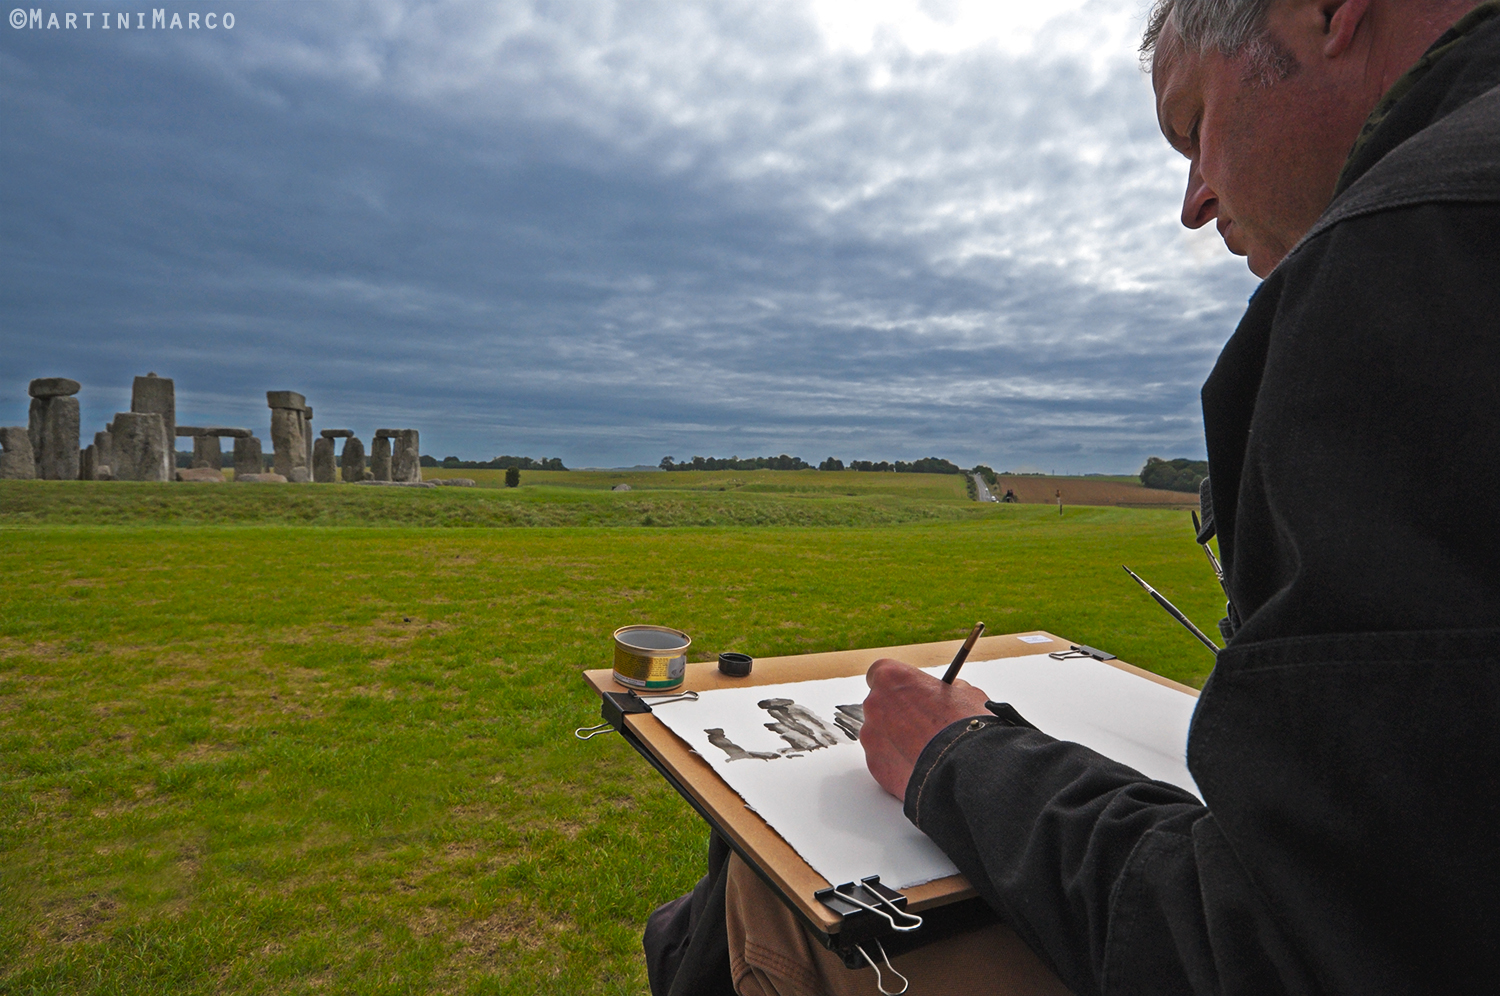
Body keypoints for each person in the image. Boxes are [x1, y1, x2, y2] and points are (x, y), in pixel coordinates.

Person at [647, 0, 1500, 992]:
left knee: (773, 896)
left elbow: (1269, 946)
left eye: (1194, 128)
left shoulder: (1414, 250)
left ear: (1327, 12)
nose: (1194, 198)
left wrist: (956, 755)